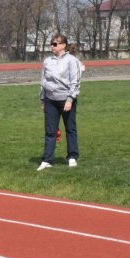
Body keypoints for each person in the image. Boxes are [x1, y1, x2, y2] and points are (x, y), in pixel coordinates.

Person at [37, 34, 82, 171]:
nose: (52, 46)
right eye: (51, 43)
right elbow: (43, 81)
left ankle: (72, 156)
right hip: (50, 100)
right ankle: (47, 159)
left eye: (55, 44)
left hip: (66, 99)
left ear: (63, 45)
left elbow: (75, 81)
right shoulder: (47, 61)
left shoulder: (72, 61)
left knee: (70, 128)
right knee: (50, 131)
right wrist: (43, 99)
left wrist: (70, 99)